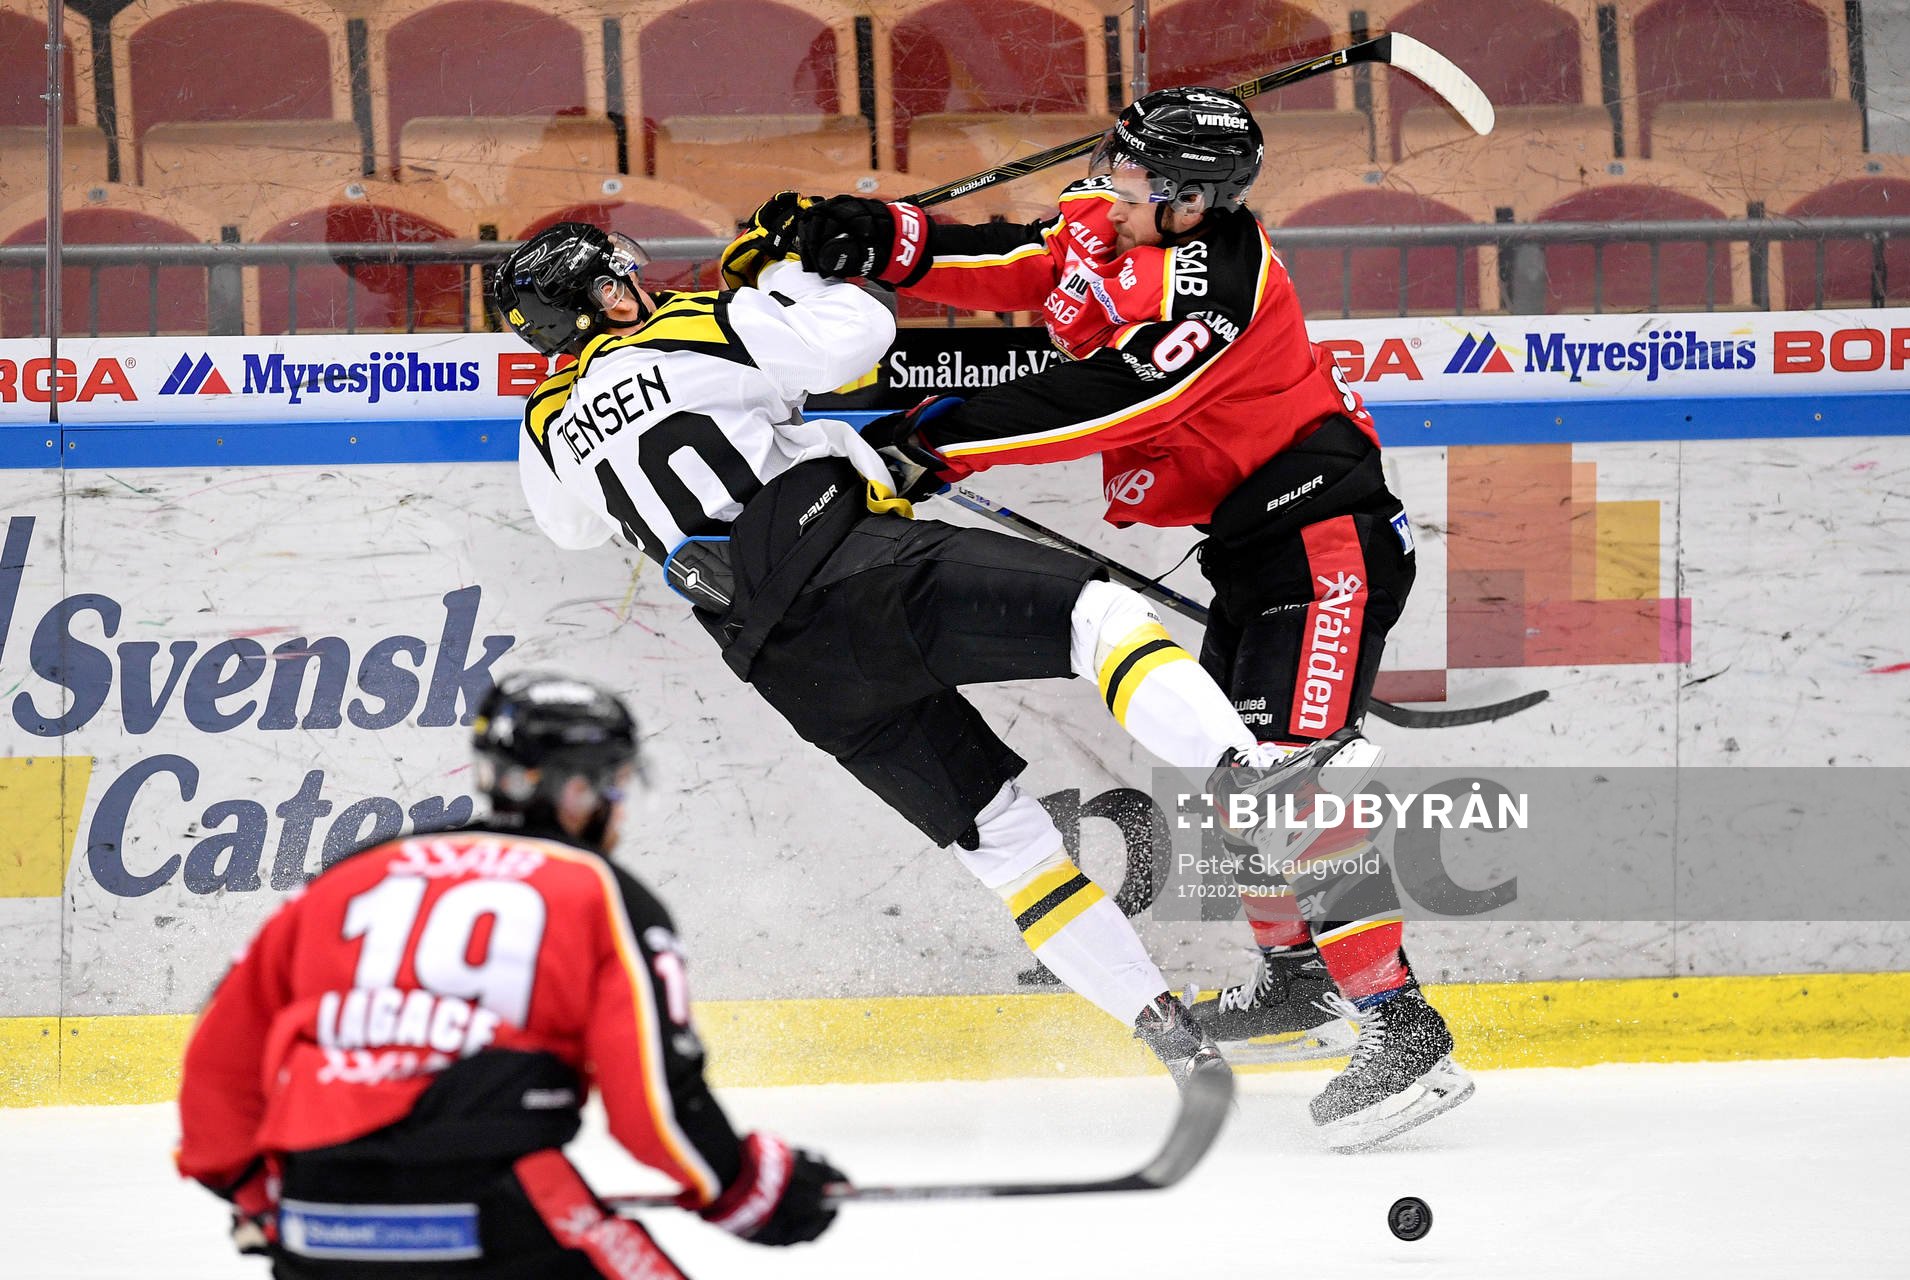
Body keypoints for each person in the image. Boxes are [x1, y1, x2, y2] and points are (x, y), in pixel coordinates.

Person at [790, 85, 1473, 1150]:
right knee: (1236, 773)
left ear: (1193, 202)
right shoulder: (1118, 218)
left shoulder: (1221, 288)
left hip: (1325, 542)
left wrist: (942, 440)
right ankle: (1298, 979)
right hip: (1257, 547)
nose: (1108, 182)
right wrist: (889, 237)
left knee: (1293, 774)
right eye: (1115, 160)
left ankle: (1400, 1023)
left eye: (1133, 174)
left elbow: (1114, 396)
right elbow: (1028, 258)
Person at [489, 207, 1279, 1089]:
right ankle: (1245, 776)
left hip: (783, 664)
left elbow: (567, 526)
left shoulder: (545, 422)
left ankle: (1168, 1037)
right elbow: (858, 338)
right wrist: (785, 278)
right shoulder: (696, 320)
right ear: (606, 294)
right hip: (857, 569)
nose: (639, 280)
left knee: (1007, 847)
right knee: (1101, 619)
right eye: (619, 275)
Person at [176, 672, 842, 1277]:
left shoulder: (351, 875)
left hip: (319, 1219)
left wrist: (253, 1193)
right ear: (579, 789)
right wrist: (748, 1186)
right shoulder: (600, 892)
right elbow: (654, 1105)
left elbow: (220, 1056)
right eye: (612, 782)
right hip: (491, 1206)